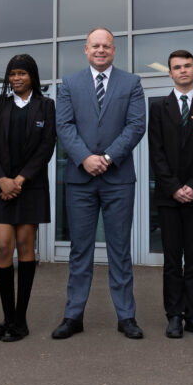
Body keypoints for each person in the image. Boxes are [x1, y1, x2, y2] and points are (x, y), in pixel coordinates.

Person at [52, 27, 147, 339]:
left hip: (118, 178)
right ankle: (73, 315)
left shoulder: (131, 83)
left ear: (114, 50)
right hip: (80, 180)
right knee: (81, 250)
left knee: (120, 249)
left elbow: (136, 125)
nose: (101, 50)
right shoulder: (69, 84)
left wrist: (106, 158)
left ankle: (126, 316)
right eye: (96, 46)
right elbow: (64, 125)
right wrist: (84, 158)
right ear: (86, 49)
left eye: (107, 46)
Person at [0, 54, 56, 343]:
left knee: (26, 246)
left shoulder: (46, 106)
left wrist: (20, 180)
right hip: (0, 186)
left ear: (33, 76)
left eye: (22, 73)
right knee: (2, 246)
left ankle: (20, 320)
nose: (16, 78)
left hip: (30, 187)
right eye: (12, 73)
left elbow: (46, 147)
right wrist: (2, 179)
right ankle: (7, 316)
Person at [148, 50, 193, 338]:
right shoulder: (158, 108)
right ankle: (174, 315)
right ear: (169, 73)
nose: (182, 71)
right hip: (169, 197)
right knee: (171, 260)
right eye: (176, 67)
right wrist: (174, 187)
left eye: (187, 66)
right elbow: (157, 152)